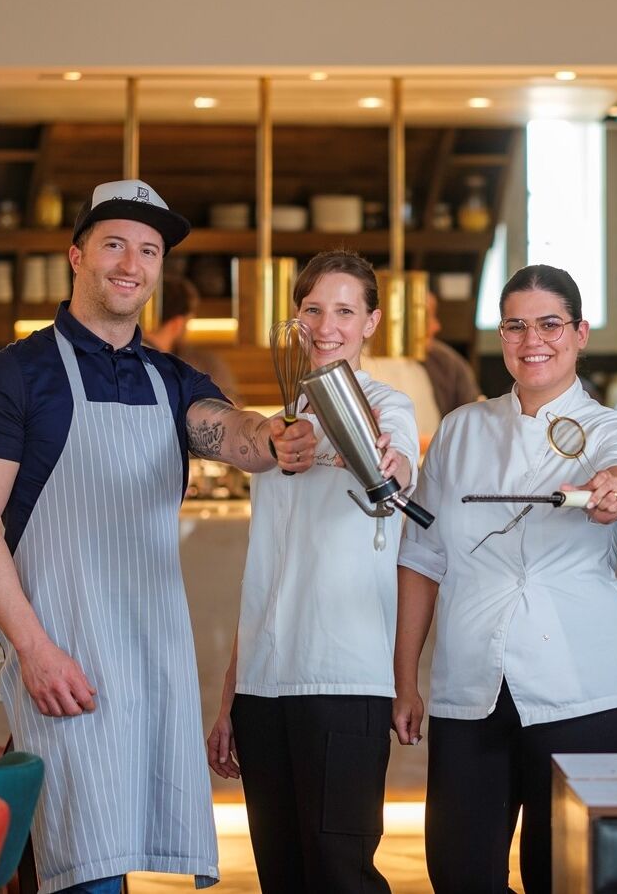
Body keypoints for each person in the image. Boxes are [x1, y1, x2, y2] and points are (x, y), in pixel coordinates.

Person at [0, 178, 316, 894]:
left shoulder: (172, 379)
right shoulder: (11, 378)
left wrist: (273, 436)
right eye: (114, 243)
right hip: (62, 661)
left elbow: (230, 430)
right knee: (82, 868)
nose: (131, 262)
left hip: (152, 662)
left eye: (148, 250)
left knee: (128, 851)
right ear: (77, 254)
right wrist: (34, 649)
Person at [394, 265, 617, 893]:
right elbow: (422, 558)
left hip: (587, 688)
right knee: (458, 872)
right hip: (471, 686)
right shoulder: (459, 430)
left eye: (550, 324)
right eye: (516, 325)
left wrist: (615, 487)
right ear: (501, 336)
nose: (532, 338)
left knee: (566, 874)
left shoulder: (614, 425)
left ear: (581, 333)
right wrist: (405, 680)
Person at [206, 250, 418, 893]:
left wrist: (386, 463)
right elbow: (268, 574)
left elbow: (396, 463)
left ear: (372, 322)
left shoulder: (389, 407)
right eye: (314, 310)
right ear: (297, 321)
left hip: (345, 678)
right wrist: (228, 701)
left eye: (345, 311)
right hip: (265, 687)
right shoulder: (280, 426)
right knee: (283, 875)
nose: (328, 325)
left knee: (341, 874)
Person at [146, 273, 242, 405]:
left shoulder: (119, 357)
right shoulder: (204, 365)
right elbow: (232, 411)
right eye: (188, 320)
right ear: (178, 323)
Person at [421, 289, 481, 416]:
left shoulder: (448, 363)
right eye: (426, 316)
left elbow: (473, 418)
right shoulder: (372, 366)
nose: (436, 326)